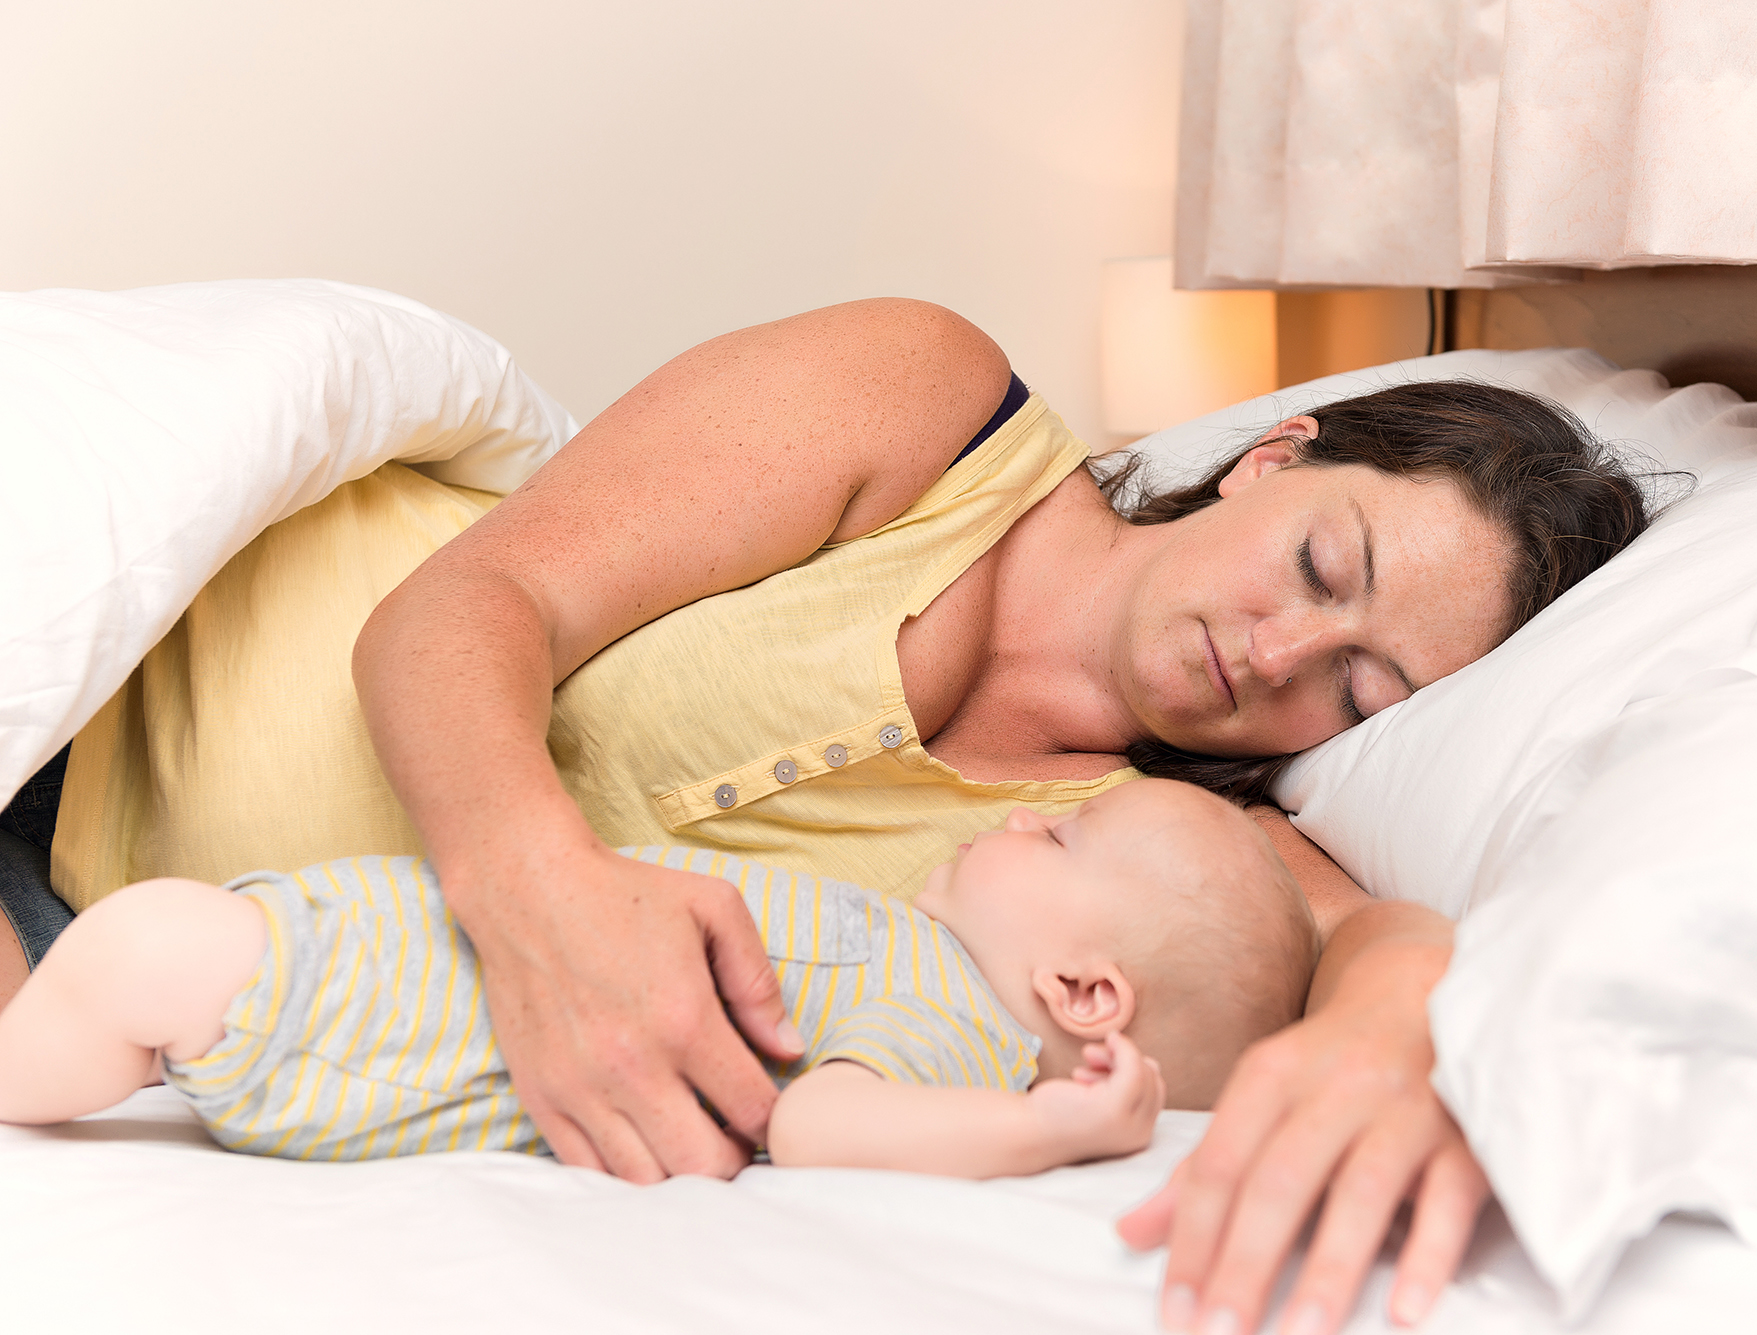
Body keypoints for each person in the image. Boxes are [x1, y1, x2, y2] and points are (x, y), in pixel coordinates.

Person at [3, 298, 1648, 1332]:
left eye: (1357, 693)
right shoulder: (937, 414)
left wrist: (1376, 1040)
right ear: (1270, 461)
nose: (1279, 654)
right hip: (108, 663)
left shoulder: (1148, 858)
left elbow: (1385, 941)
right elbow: (464, 610)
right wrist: (539, 901)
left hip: (126, 944)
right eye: (1321, 568)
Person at [0, 779, 1316, 1181]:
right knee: (135, 962)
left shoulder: (947, 1022)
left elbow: (819, 1122)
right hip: (397, 944)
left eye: (1066, 841)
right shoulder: (916, 952)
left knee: (137, 958)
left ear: (1085, 991)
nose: (1027, 823)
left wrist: (1043, 1125)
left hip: (387, 1017)